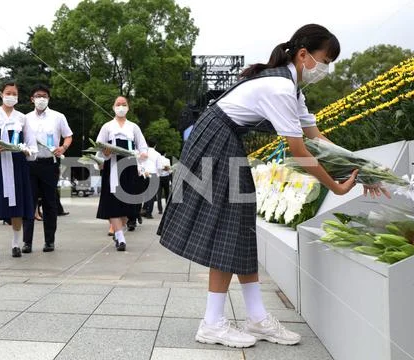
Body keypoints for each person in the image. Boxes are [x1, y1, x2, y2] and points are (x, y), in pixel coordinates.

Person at [158, 24, 389, 349]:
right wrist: (336, 187)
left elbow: (316, 137)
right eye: (326, 60)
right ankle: (212, 323)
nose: (326, 69)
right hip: (216, 140)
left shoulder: (293, 90)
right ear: (304, 54)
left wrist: (360, 168)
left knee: (240, 226)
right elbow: (299, 150)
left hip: (223, 139)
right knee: (227, 226)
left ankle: (255, 317)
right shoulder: (280, 88)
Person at [0, 81, 37, 264]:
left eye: (15, 93)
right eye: (8, 92)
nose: (11, 96)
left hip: (17, 165)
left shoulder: (22, 118)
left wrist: (28, 151)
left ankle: (16, 244)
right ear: (1, 94)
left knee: (17, 207)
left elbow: (31, 143)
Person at [22, 84, 73, 253]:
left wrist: (63, 148)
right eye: (38, 95)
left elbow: (68, 136)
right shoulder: (25, 118)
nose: (41, 99)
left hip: (49, 164)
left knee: (50, 203)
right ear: (32, 99)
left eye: (44, 96)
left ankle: (49, 241)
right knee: (29, 203)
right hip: (30, 164)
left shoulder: (58, 117)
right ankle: (27, 242)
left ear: (49, 98)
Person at [96, 96, 148, 251]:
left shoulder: (133, 127)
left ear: (128, 108)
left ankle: (120, 229)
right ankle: (120, 237)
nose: (121, 107)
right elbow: (99, 147)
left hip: (130, 167)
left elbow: (143, 146)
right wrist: (104, 154)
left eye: (124, 104)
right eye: (118, 104)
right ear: (113, 107)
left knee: (128, 204)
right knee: (113, 202)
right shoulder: (107, 127)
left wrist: (142, 155)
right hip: (112, 166)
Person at [140, 141, 163, 219]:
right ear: (155, 145)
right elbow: (159, 167)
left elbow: (141, 163)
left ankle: (144, 210)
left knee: (145, 193)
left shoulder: (143, 153)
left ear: (147, 144)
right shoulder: (157, 154)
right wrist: (158, 175)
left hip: (144, 174)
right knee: (151, 195)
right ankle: (148, 213)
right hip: (153, 174)